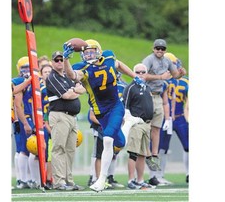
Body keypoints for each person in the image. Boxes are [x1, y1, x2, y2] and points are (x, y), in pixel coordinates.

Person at [63, 39, 143, 192]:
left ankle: (101, 179)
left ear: (98, 51)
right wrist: (66, 59)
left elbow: (119, 65)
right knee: (119, 143)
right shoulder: (84, 68)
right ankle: (129, 123)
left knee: (107, 139)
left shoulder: (108, 57)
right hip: (100, 112)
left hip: (115, 107)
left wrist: (135, 76)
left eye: (91, 51)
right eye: (85, 53)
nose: (88, 55)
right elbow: (72, 75)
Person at [139, 39, 186, 179]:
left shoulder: (166, 61)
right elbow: (142, 75)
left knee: (157, 128)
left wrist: (181, 73)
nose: (160, 50)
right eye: (157, 48)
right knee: (145, 128)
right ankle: (146, 153)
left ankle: (154, 154)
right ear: (153, 48)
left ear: (165, 49)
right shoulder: (148, 60)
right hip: (147, 95)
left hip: (159, 96)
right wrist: (160, 76)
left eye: (162, 48)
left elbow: (175, 75)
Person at [45, 51, 86, 191]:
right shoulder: (52, 77)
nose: (59, 62)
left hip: (72, 117)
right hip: (60, 115)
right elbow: (67, 95)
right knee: (59, 148)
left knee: (70, 150)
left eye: (61, 59)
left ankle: (69, 181)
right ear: (52, 62)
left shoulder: (68, 76)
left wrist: (74, 90)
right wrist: (75, 90)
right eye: (56, 60)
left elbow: (83, 88)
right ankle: (59, 181)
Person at [12, 56, 36, 189]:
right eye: (24, 67)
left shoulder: (34, 82)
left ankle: (28, 178)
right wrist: (25, 122)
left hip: (31, 117)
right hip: (23, 118)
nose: (27, 70)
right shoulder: (18, 81)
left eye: (28, 67)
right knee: (23, 149)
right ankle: (22, 179)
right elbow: (18, 104)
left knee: (29, 149)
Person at [39, 64, 54, 190]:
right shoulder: (42, 90)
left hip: (54, 121)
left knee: (52, 154)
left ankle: (50, 178)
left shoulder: (54, 87)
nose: (48, 74)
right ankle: (44, 179)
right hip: (45, 123)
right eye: (45, 72)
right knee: (45, 153)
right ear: (41, 74)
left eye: (50, 71)